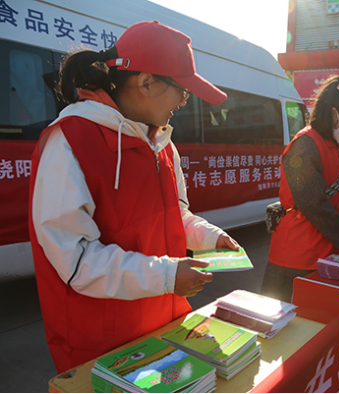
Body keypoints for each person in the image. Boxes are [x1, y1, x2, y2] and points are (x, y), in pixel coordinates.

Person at [28, 21, 241, 373]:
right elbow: (76, 260)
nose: (185, 100)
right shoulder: (69, 140)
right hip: (102, 347)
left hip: (166, 326)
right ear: (146, 83)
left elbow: (177, 214)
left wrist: (209, 237)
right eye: (181, 89)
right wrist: (166, 276)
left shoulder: (162, 143)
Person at [261, 76, 339, 303]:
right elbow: (313, 202)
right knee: (283, 325)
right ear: (334, 114)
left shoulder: (338, 146)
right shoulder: (305, 144)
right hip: (297, 256)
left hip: (327, 250)